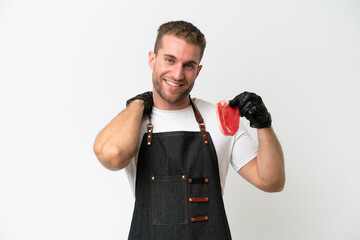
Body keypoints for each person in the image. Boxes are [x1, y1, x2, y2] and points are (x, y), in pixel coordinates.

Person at [93, 20, 285, 240]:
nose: (177, 74)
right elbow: (111, 156)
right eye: (169, 60)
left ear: (198, 70)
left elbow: (272, 182)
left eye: (188, 65)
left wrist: (264, 125)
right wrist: (138, 103)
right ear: (152, 59)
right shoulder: (132, 122)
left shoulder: (219, 118)